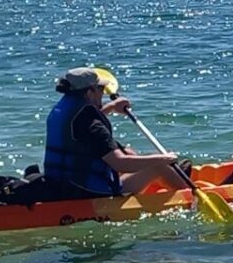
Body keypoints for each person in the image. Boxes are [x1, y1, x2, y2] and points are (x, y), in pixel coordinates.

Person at [44, 67, 187, 199]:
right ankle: (192, 195)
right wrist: (165, 158)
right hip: (89, 192)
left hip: (58, 184)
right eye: (100, 89)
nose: (103, 93)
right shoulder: (92, 125)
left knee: (129, 152)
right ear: (89, 92)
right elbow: (120, 164)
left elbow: (82, 129)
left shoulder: (62, 109)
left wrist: (111, 107)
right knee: (159, 166)